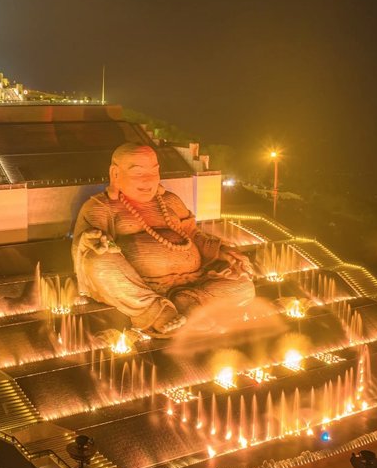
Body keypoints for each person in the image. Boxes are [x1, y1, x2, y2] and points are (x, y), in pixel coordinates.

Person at [72, 143, 256, 337]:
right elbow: (87, 247)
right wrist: (92, 241)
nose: (148, 180)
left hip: (195, 279)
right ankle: (157, 311)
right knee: (97, 261)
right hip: (142, 287)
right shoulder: (101, 206)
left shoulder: (170, 201)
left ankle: (188, 301)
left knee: (244, 288)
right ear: (115, 174)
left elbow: (194, 234)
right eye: (138, 173)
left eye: (154, 172)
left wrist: (222, 251)